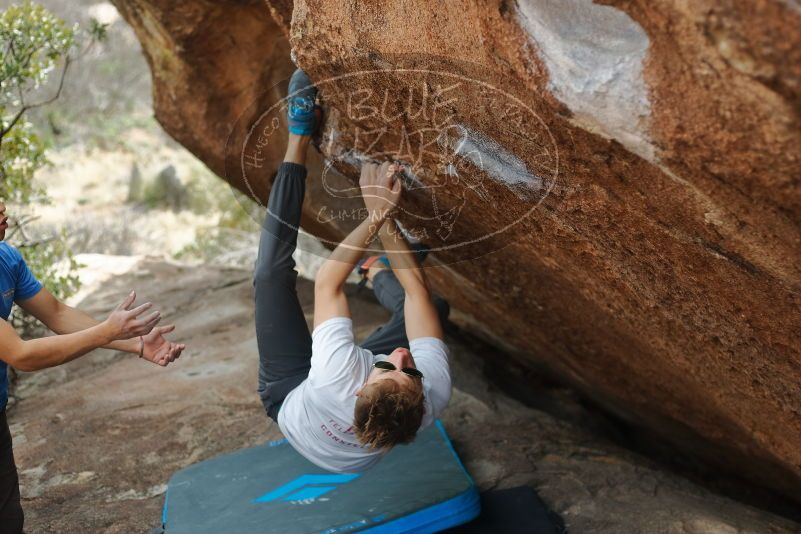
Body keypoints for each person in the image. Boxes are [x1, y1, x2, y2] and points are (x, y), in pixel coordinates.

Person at [254, 69, 451, 473]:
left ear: (362, 384)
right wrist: (389, 222)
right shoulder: (433, 393)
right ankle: (379, 271)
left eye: (386, 368)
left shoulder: (335, 376)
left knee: (270, 276)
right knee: (434, 309)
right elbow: (417, 295)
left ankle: (298, 136)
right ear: (421, 395)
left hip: (289, 395)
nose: (400, 356)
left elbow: (328, 282)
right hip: (351, 420)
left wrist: (376, 213)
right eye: (410, 370)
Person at [0, 203, 185, 534]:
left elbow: (57, 314)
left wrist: (135, 345)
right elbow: (20, 354)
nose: (2, 207)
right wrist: (108, 331)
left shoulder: (6, 258)